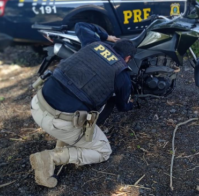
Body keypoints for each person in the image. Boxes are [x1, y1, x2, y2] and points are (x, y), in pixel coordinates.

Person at [29, 22, 136, 188]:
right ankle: (51, 158)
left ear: (114, 45)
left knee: (73, 99)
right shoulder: (122, 74)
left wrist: (107, 36)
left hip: (37, 104)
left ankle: (64, 143)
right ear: (128, 59)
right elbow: (123, 107)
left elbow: (80, 26)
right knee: (103, 151)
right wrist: (131, 103)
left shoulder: (94, 44)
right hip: (58, 122)